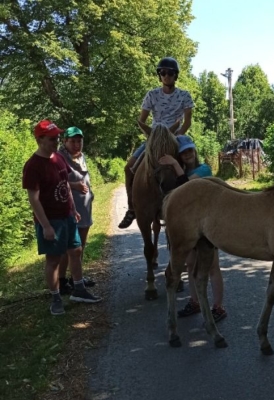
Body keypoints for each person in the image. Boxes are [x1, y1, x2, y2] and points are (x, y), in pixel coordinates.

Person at [22, 120, 102, 316]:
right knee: (54, 260)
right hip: (51, 221)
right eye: (52, 139)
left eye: (57, 137)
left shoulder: (57, 158)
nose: (56, 141)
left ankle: (79, 290)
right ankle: (56, 298)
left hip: (67, 216)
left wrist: (73, 209)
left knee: (76, 250)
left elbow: (66, 183)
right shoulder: (33, 166)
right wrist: (46, 226)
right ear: (39, 139)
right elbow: (33, 199)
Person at [118, 56, 194, 229]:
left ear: (176, 76)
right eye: (163, 73)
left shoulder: (184, 96)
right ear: (159, 75)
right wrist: (151, 137)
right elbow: (142, 120)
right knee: (128, 167)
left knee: (192, 159)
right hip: (154, 137)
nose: (167, 76)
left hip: (175, 136)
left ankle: (195, 200)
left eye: (170, 73)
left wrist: (177, 136)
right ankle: (132, 208)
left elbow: (187, 122)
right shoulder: (151, 95)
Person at [159, 135, 227, 322]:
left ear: (194, 151)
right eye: (183, 152)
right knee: (190, 264)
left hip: (207, 226)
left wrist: (174, 164)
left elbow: (186, 188)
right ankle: (195, 301)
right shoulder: (178, 171)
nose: (188, 154)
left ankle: (218, 306)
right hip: (188, 227)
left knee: (212, 266)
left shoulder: (203, 169)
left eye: (190, 150)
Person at [57, 126, 95, 294]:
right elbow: (56, 181)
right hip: (70, 210)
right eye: (72, 141)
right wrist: (74, 186)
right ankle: (62, 281)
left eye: (79, 141)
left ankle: (76, 278)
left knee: (81, 245)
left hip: (85, 209)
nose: (76, 144)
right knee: (69, 247)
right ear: (65, 141)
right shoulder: (59, 158)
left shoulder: (81, 156)